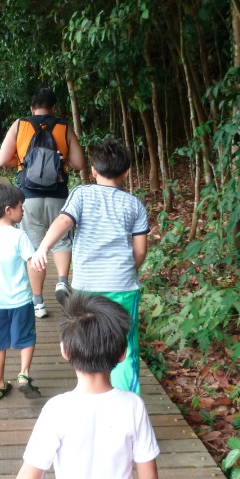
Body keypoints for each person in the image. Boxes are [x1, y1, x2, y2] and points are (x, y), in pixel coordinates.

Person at [5, 294, 159, 479]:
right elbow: (148, 473)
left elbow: (30, 473)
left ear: (65, 351)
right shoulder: (133, 406)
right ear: (122, 353)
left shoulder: (56, 410)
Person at [31, 138, 149, 394]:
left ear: (94, 171)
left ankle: (91, 397)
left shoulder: (82, 193)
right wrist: (129, 270)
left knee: (88, 343)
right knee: (124, 346)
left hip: (87, 288)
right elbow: (140, 250)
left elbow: (64, 221)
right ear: (126, 172)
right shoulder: (135, 205)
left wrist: (43, 248)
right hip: (123, 287)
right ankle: (127, 404)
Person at [0, 88, 86, 318]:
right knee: (62, 240)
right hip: (58, 195)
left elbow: (2, 159)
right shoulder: (63, 126)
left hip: (28, 197)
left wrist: (23, 161)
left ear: (32, 108)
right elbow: (79, 163)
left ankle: (38, 303)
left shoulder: (20, 124)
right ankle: (63, 282)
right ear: (54, 107)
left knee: (35, 249)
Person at [0, 183, 39, 400]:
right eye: (20, 206)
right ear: (9, 210)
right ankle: (24, 374)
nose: (22, 210)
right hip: (21, 300)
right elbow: (33, 262)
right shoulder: (19, 236)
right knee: (26, 339)